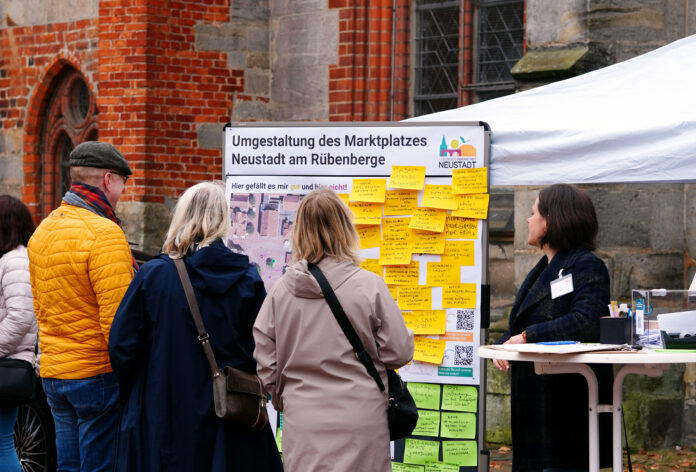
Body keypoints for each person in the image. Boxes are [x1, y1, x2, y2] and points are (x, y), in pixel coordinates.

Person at [108, 181, 282, 472]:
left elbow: (121, 347)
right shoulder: (248, 280)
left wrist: (140, 390)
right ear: (223, 220)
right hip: (230, 417)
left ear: (182, 216)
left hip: (163, 414)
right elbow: (263, 348)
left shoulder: (154, 276)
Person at [253, 188, 414, 472]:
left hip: (303, 419)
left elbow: (266, 362)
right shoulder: (370, 286)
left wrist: (284, 397)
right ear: (345, 228)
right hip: (362, 419)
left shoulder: (280, 292)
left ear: (299, 231)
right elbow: (399, 352)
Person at [27, 141, 135, 472]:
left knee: (68, 467)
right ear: (108, 179)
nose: (122, 192)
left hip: (55, 374)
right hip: (95, 374)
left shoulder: (44, 229)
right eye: (122, 183)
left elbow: (41, 307)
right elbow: (119, 323)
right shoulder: (104, 233)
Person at [494, 184, 612, 471]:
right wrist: (505, 343)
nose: (527, 219)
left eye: (533, 212)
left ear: (550, 221)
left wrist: (525, 337)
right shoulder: (543, 269)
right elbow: (525, 322)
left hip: (566, 407)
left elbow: (586, 322)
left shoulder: (587, 266)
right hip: (536, 404)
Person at [0, 196, 38, 472]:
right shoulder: (10, 260)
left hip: (7, 364)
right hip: (6, 361)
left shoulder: (16, 261)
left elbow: (21, 317)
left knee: (2, 443)